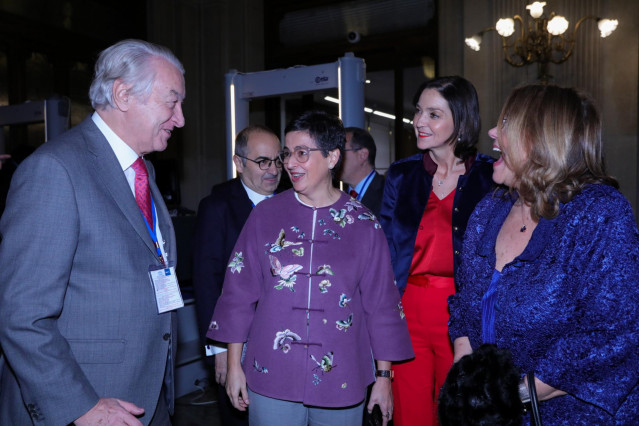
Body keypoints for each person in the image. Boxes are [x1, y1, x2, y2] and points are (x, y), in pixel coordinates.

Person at [0, 39, 186, 425]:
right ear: (123, 94)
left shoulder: (143, 171)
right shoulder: (54, 170)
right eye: (172, 101)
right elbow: (23, 316)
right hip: (87, 402)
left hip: (145, 393)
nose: (180, 118)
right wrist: (79, 406)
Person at [206, 110, 413, 426]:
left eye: (302, 153)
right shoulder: (264, 216)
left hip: (341, 377)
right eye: (287, 154)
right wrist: (235, 366)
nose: (289, 163)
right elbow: (238, 294)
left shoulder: (364, 224)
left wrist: (384, 379)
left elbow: (382, 306)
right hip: (270, 373)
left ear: (332, 157)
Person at [448, 84, 639, 424]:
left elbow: (614, 333)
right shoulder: (489, 209)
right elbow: (464, 304)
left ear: (540, 140)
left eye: (506, 123)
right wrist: (466, 382)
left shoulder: (599, 214)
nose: (492, 131)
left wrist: (513, 395)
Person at [379, 76, 494, 426]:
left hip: (463, 313)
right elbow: (384, 253)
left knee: (457, 414)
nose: (418, 122)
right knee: (409, 415)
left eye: (433, 114)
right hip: (407, 308)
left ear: (460, 120)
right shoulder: (401, 175)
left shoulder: (490, 176)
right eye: (418, 112)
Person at [192, 124, 282, 426]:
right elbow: (207, 282)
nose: (273, 170)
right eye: (263, 162)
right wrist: (219, 347)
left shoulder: (291, 204)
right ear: (239, 163)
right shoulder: (217, 208)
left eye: (278, 160)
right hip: (237, 344)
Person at [338, 127, 385, 217]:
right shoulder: (338, 198)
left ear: (363, 155)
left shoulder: (389, 194)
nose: (335, 158)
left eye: (341, 151)